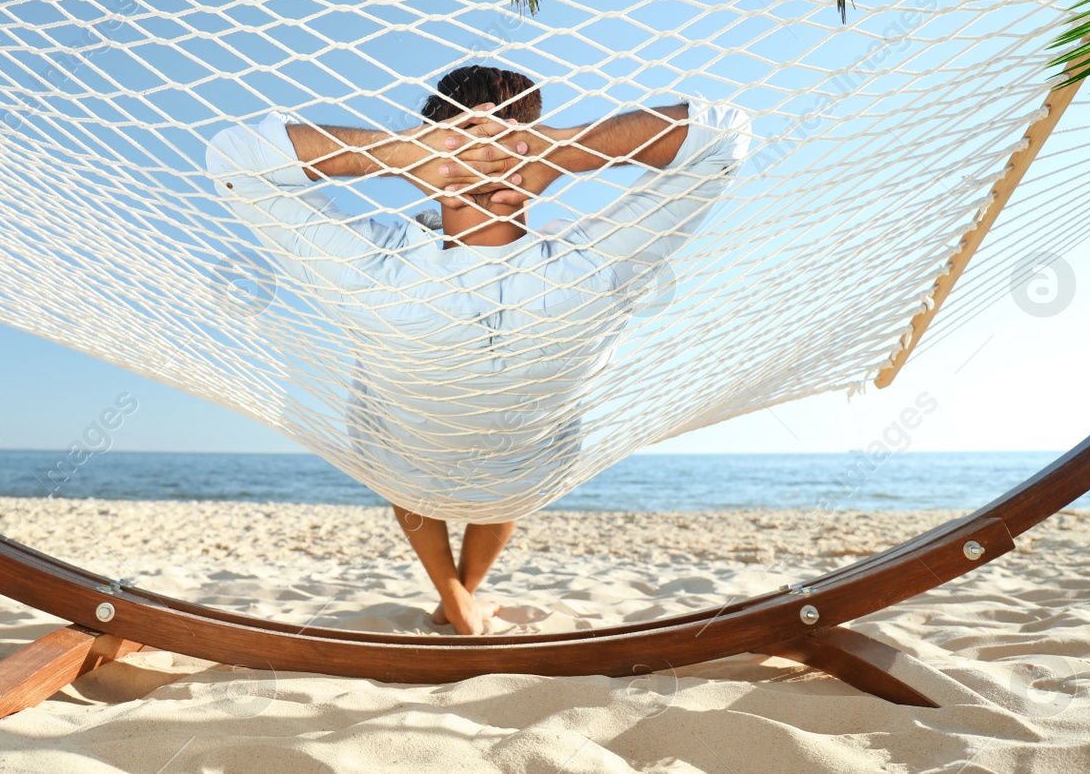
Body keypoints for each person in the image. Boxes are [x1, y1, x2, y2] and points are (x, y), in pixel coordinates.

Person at [206, 64, 750, 634]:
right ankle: (465, 595)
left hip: (404, 466)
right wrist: (559, 154)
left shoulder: (370, 271)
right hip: (525, 476)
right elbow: (724, 137)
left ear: (428, 132)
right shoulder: (592, 270)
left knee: (396, 434)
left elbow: (235, 161)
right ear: (532, 133)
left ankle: (453, 594)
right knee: (505, 456)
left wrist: (404, 157)